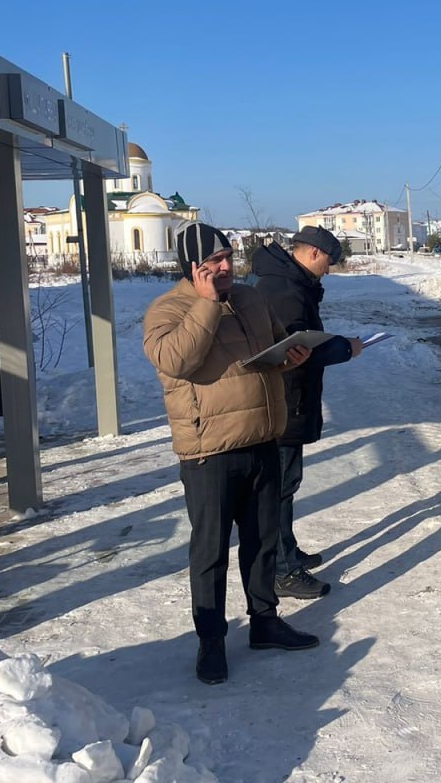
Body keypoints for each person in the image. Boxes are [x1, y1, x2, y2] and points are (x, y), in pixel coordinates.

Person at [143, 223, 320, 686]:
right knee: (211, 551)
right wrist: (206, 303)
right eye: (213, 262)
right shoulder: (167, 311)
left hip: (261, 437)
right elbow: (176, 361)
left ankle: (264, 621)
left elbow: (270, 350)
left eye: (227, 258)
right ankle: (212, 642)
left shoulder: (250, 299)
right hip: (209, 451)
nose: (225, 268)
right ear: (192, 267)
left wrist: (290, 357)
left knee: (262, 543)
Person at [251, 226, 362, 600]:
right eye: (329, 262)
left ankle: (287, 550)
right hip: (284, 402)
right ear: (314, 253)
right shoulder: (284, 290)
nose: (329, 270)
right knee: (279, 489)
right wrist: (344, 348)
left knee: (287, 485)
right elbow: (296, 349)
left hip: (290, 400)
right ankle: (282, 570)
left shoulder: (288, 283)